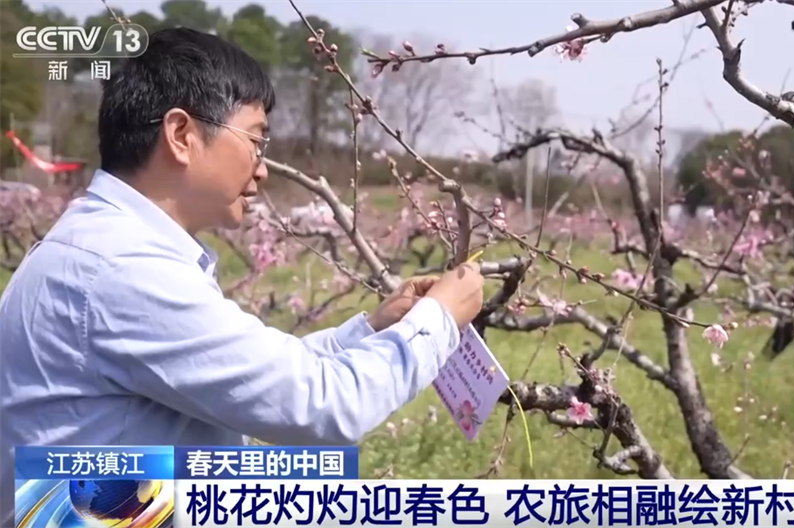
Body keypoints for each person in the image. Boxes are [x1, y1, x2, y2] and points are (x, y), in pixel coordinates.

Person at [0, 27, 484, 525]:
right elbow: (322, 407)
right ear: (181, 135)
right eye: (255, 140)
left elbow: (256, 376)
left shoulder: (104, 245)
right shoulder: (123, 268)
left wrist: (371, 330)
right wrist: (439, 319)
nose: (263, 169)